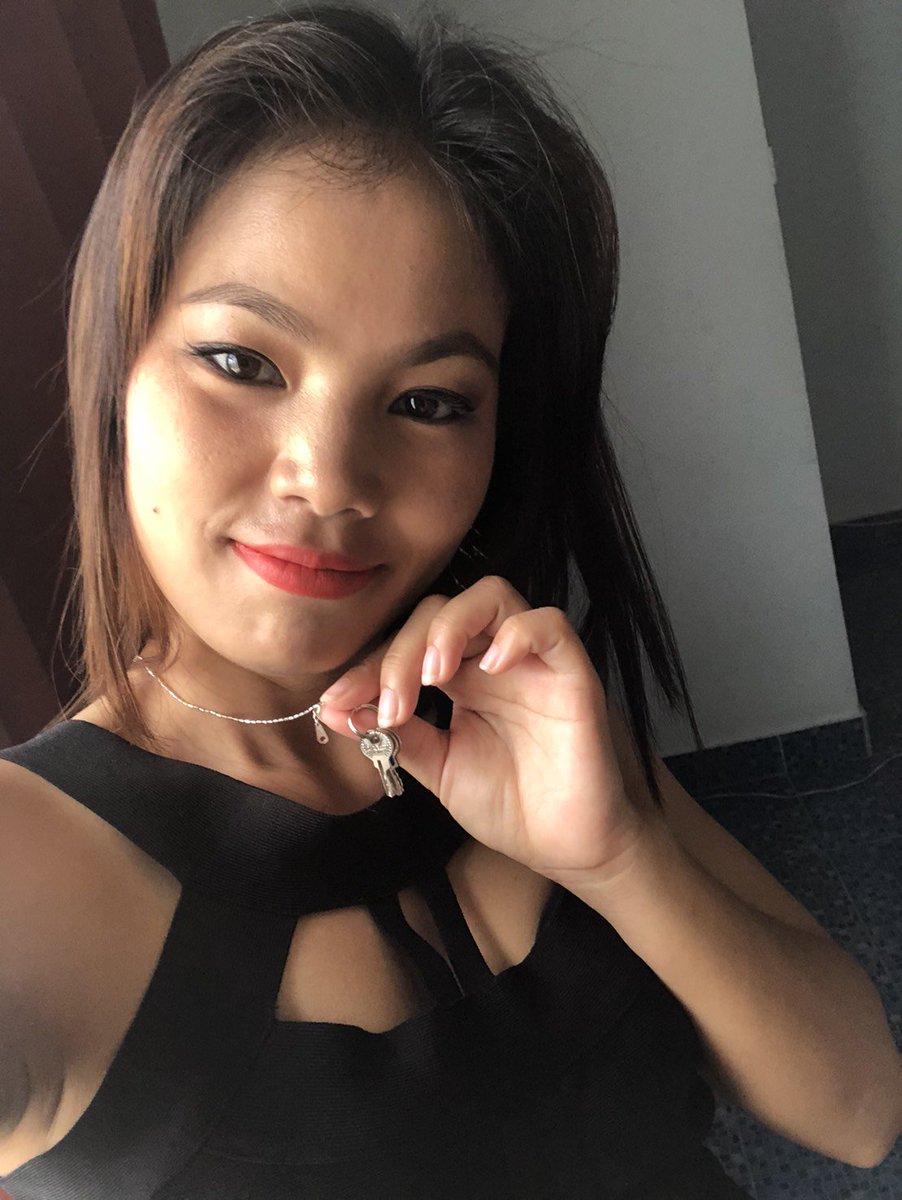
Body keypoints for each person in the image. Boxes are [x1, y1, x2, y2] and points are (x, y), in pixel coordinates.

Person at [0, 3, 898, 1197]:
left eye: (427, 402)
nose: (330, 478)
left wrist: (619, 859)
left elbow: (859, 1111)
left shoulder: (509, 708)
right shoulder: (29, 866)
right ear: (119, 368)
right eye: (243, 362)